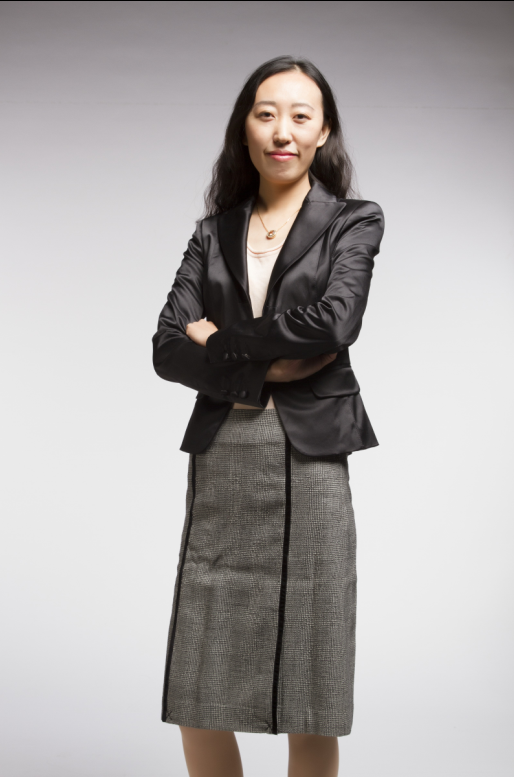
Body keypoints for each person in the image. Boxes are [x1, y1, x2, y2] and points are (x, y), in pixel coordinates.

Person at [152, 55, 385, 777]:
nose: (282, 131)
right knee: (200, 678)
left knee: (312, 680)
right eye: (266, 114)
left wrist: (221, 342)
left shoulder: (353, 221)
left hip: (312, 457)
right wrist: (269, 362)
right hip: (225, 453)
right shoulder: (211, 233)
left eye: (300, 116)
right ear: (245, 129)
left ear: (323, 133)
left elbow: (336, 323)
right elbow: (166, 346)